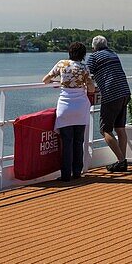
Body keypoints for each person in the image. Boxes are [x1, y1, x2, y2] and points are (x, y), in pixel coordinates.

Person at [42, 42, 96, 182]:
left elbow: (45, 80)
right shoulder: (84, 68)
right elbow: (91, 89)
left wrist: (60, 81)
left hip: (65, 106)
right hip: (81, 107)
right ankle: (77, 171)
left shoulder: (62, 64)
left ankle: (66, 175)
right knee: (79, 141)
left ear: (70, 52)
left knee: (66, 142)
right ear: (83, 55)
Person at [87, 35, 131, 173]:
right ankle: (122, 161)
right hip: (125, 92)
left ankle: (121, 161)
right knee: (120, 129)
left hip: (112, 95)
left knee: (105, 130)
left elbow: (85, 73)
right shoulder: (113, 54)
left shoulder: (94, 57)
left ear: (94, 47)